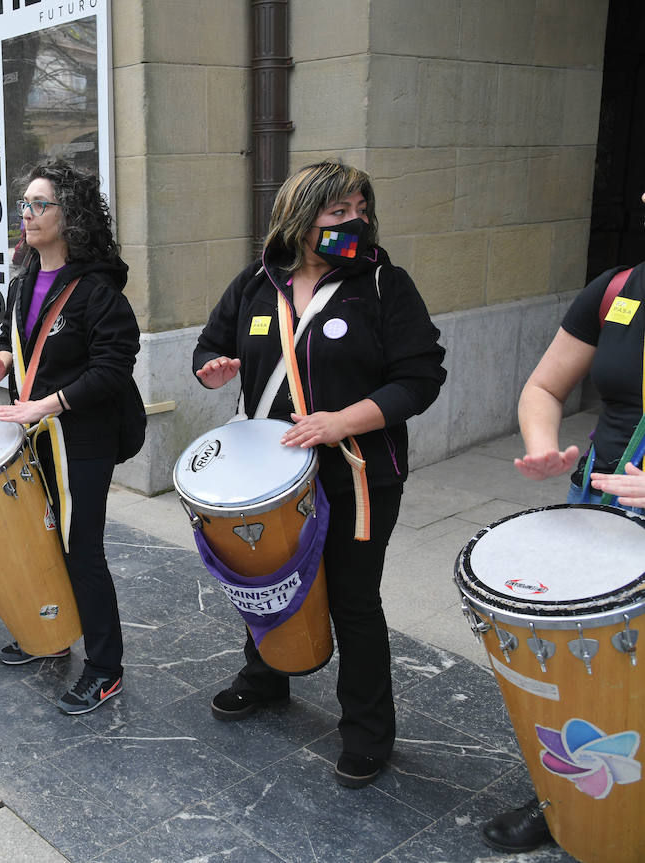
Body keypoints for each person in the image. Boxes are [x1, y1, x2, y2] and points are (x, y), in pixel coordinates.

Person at [192, 160, 446, 786]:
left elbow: (420, 378)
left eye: (360, 208)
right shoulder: (258, 282)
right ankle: (266, 678)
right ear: (301, 219)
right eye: (338, 211)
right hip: (269, 477)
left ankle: (366, 731)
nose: (353, 220)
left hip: (357, 475)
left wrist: (342, 422)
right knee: (269, 579)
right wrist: (213, 370)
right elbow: (208, 346)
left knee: (354, 601)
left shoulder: (385, 284)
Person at [479, 210, 645, 853]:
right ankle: (576, 792)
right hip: (606, 520)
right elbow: (545, 386)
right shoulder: (617, 289)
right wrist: (543, 446)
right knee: (595, 675)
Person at [0, 160, 141, 714]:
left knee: (80, 547)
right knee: (43, 538)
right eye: (25, 205)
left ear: (73, 215)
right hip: (36, 432)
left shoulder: (98, 290)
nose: (28, 214)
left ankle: (105, 667)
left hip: (83, 437)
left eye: (41, 205)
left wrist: (48, 403)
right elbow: (17, 352)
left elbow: (113, 368)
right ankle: (51, 633)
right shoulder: (21, 283)